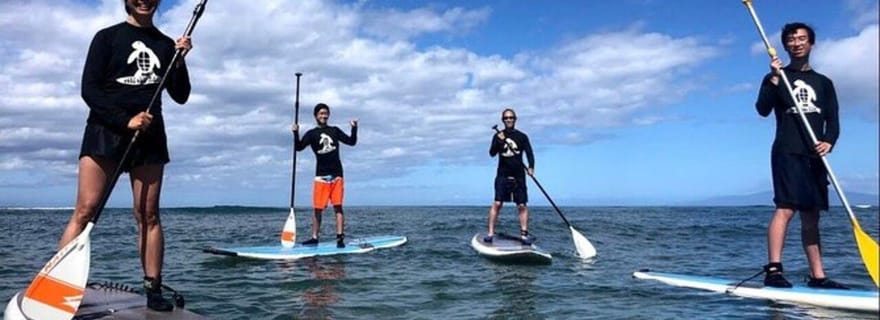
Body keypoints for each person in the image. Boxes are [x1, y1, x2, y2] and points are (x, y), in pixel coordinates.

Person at [57, 0, 193, 312]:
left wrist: (180, 59)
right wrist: (124, 120)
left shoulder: (165, 44)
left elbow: (181, 95)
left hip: (150, 138)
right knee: (85, 209)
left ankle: (153, 289)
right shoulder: (106, 37)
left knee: (148, 215)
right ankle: (58, 284)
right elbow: (89, 90)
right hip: (105, 130)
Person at [755, 22, 846, 289]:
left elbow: (834, 120)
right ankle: (774, 270)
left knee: (811, 214)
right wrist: (773, 79)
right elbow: (761, 109)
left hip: (815, 156)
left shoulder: (824, 83)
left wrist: (829, 141)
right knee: (785, 208)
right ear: (785, 45)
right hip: (787, 151)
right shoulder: (776, 77)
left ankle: (818, 276)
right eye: (792, 39)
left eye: (802, 38)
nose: (797, 43)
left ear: (811, 43)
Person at [292, 103, 358, 248]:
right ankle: (314, 238)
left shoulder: (334, 131)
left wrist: (354, 128)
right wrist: (295, 133)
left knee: (338, 207)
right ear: (316, 115)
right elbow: (298, 147)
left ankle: (340, 238)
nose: (324, 116)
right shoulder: (311, 134)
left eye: (326, 113)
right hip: (320, 176)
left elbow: (352, 142)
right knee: (317, 208)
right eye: (321, 113)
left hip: (337, 174)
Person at [484, 108, 535, 245]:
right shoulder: (498, 135)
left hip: (519, 175)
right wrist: (500, 142)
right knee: (498, 203)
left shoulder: (522, 137)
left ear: (515, 119)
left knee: (522, 205)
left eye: (511, 117)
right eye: (506, 118)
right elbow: (492, 153)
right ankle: (490, 233)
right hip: (502, 175)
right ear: (503, 120)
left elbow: (529, 153)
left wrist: (531, 167)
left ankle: (524, 234)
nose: (509, 120)